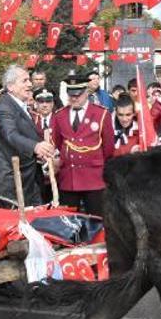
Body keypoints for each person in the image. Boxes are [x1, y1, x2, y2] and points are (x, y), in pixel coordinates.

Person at [0, 65, 55, 205]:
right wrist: (35, 147)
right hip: (11, 183)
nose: (30, 84)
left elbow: (27, 134)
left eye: (29, 80)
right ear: (10, 86)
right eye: (24, 81)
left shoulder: (21, 106)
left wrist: (43, 151)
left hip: (28, 180)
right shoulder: (4, 108)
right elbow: (11, 135)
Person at [50, 76, 114, 216]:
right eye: (71, 95)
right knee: (68, 224)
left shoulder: (101, 114)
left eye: (78, 95)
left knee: (97, 222)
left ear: (86, 92)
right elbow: (57, 143)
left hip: (94, 178)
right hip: (69, 178)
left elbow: (108, 148)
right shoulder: (59, 115)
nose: (74, 99)